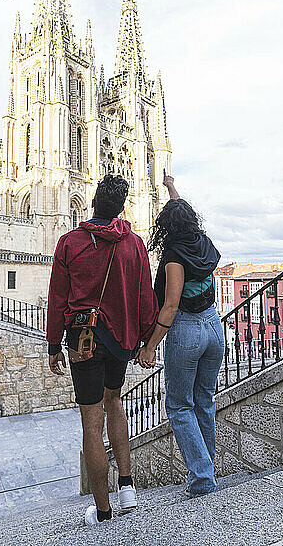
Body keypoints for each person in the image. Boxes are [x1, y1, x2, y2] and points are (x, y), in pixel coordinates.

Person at [46, 175, 159, 525]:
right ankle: (127, 488)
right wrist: (145, 342)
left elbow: (57, 297)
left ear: (93, 203)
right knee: (115, 403)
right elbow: (145, 298)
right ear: (121, 207)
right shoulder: (135, 245)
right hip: (121, 343)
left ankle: (103, 511)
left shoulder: (69, 243)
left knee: (91, 424)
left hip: (84, 344)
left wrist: (53, 344)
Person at [136, 171, 224, 497]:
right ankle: (207, 470)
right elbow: (181, 210)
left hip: (187, 330)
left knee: (178, 406)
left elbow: (170, 307)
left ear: (167, 227)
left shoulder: (175, 256)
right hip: (214, 326)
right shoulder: (201, 241)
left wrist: (149, 347)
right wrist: (171, 187)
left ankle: (202, 479)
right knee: (204, 401)